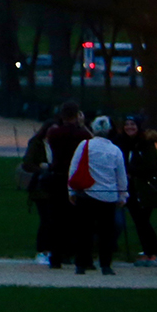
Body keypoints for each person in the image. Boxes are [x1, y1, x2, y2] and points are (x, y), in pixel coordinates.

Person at [67, 113, 128, 275]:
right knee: (106, 233)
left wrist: (71, 190)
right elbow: (120, 176)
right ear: (109, 131)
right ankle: (105, 265)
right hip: (108, 196)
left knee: (84, 231)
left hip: (87, 194)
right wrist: (123, 195)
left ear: (93, 129)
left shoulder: (85, 145)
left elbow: (73, 168)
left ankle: (81, 264)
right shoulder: (115, 150)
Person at [42, 101, 91, 268]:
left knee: (56, 218)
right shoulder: (82, 135)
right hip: (74, 178)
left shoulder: (54, 133)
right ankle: (76, 255)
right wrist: (82, 125)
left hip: (57, 176)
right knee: (77, 219)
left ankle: (55, 257)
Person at [115, 114, 157, 266]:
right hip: (131, 190)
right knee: (139, 222)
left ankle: (154, 253)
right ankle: (147, 252)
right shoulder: (123, 143)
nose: (129, 127)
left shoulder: (146, 144)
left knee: (143, 222)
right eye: (127, 124)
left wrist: (130, 170)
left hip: (145, 190)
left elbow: (150, 167)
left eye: (132, 124)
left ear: (138, 126)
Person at [20, 116, 60, 265]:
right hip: (41, 186)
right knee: (46, 219)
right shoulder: (36, 143)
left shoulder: (60, 144)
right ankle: (42, 250)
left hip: (56, 185)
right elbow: (27, 163)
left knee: (56, 220)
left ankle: (55, 250)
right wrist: (43, 169)